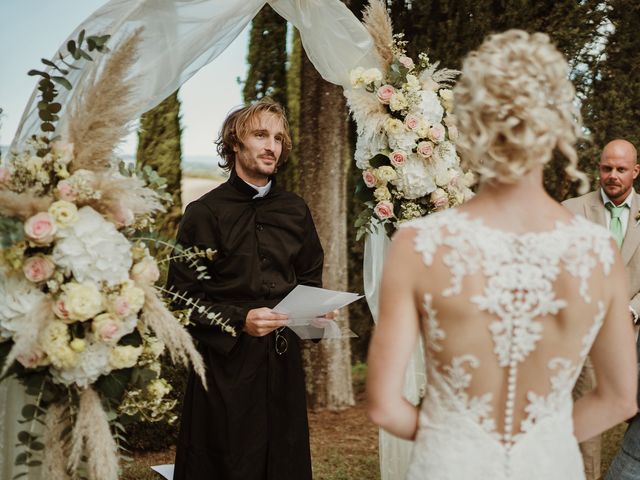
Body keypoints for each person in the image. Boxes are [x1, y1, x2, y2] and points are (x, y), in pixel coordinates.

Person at [366, 29, 637, 480]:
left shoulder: (418, 244)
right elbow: (620, 398)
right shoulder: (597, 252)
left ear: (470, 127)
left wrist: (451, 438)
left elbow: (383, 404)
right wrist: (540, 441)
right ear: (554, 131)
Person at [168, 99, 324, 480]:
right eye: (260, 135)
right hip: (225, 372)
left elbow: (310, 279)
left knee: (283, 464)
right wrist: (240, 320)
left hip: (283, 368)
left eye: (278, 138)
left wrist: (317, 314)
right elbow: (179, 301)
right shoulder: (204, 213)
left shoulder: (295, 210)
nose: (272, 146)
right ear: (235, 143)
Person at [563, 139, 640, 480]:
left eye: (621, 169)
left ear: (635, 171)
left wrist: (634, 309)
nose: (613, 175)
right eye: (607, 168)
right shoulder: (570, 211)